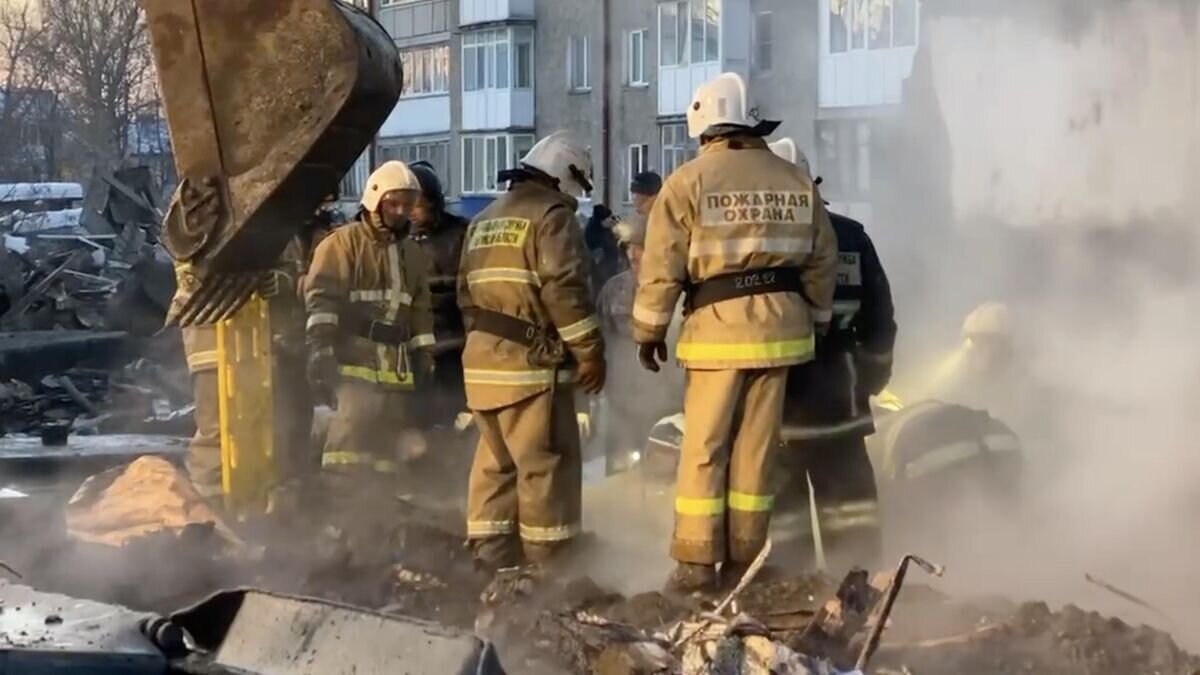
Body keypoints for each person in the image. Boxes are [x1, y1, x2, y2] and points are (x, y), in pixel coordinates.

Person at [632, 73, 838, 592]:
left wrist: (649, 330)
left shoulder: (687, 182)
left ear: (705, 125)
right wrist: (814, 321)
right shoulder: (794, 179)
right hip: (782, 337)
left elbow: (662, 264)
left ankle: (699, 563)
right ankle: (747, 557)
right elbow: (821, 260)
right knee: (756, 450)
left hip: (717, 335)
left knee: (705, 447)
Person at [458, 130, 606, 570]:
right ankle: (549, 566)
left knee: (495, 464)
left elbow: (466, 296)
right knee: (545, 469)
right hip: (529, 370)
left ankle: (490, 558)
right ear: (564, 176)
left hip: (483, 368)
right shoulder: (551, 216)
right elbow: (564, 290)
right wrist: (589, 352)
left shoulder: (484, 218)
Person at [770, 138, 897, 571]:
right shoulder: (851, 236)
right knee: (854, 531)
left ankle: (787, 614)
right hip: (840, 410)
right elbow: (881, 323)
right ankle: (859, 609)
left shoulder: (755, 242)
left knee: (784, 543)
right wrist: (870, 381)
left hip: (773, 415)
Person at [304, 160, 435, 476]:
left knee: (386, 457)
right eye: (394, 203)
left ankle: (380, 518)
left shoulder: (412, 254)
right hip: (352, 365)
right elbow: (322, 300)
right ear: (375, 200)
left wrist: (425, 356)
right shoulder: (341, 245)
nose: (401, 211)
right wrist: (321, 350)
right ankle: (340, 516)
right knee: (346, 452)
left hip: (395, 372)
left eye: (408, 204)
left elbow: (420, 310)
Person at [174, 238, 313, 502]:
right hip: (212, 340)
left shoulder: (273, 218)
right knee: (218, 432)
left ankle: (270, 505)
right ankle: (212, 508)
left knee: (271, 425)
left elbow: (294, 266)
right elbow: (189, 271)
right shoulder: (199, 214)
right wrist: (240, 282)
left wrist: (284, 279)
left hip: (263, 343)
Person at [597, 215, 683, 474]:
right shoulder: (613, 290)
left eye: (641, 246)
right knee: (622, 474)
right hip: (622, 405)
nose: (633, 255)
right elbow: (601, 342)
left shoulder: (678, 290)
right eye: (629, 247)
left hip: (669, 405)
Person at [407, 160, 470, 425]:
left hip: (453, 344)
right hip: (412, 347)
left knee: (453, 415)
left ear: (433, 202)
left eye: (416, 205)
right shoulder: (397, 238)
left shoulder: (459, 234)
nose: (410, 212)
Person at [585, 203, 622, 291]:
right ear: (602, 220)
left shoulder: (606, 229)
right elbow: (597, 253)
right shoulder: (592, 232)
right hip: (601, 272)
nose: (611, 221)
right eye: (609, 218)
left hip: (611, 268)